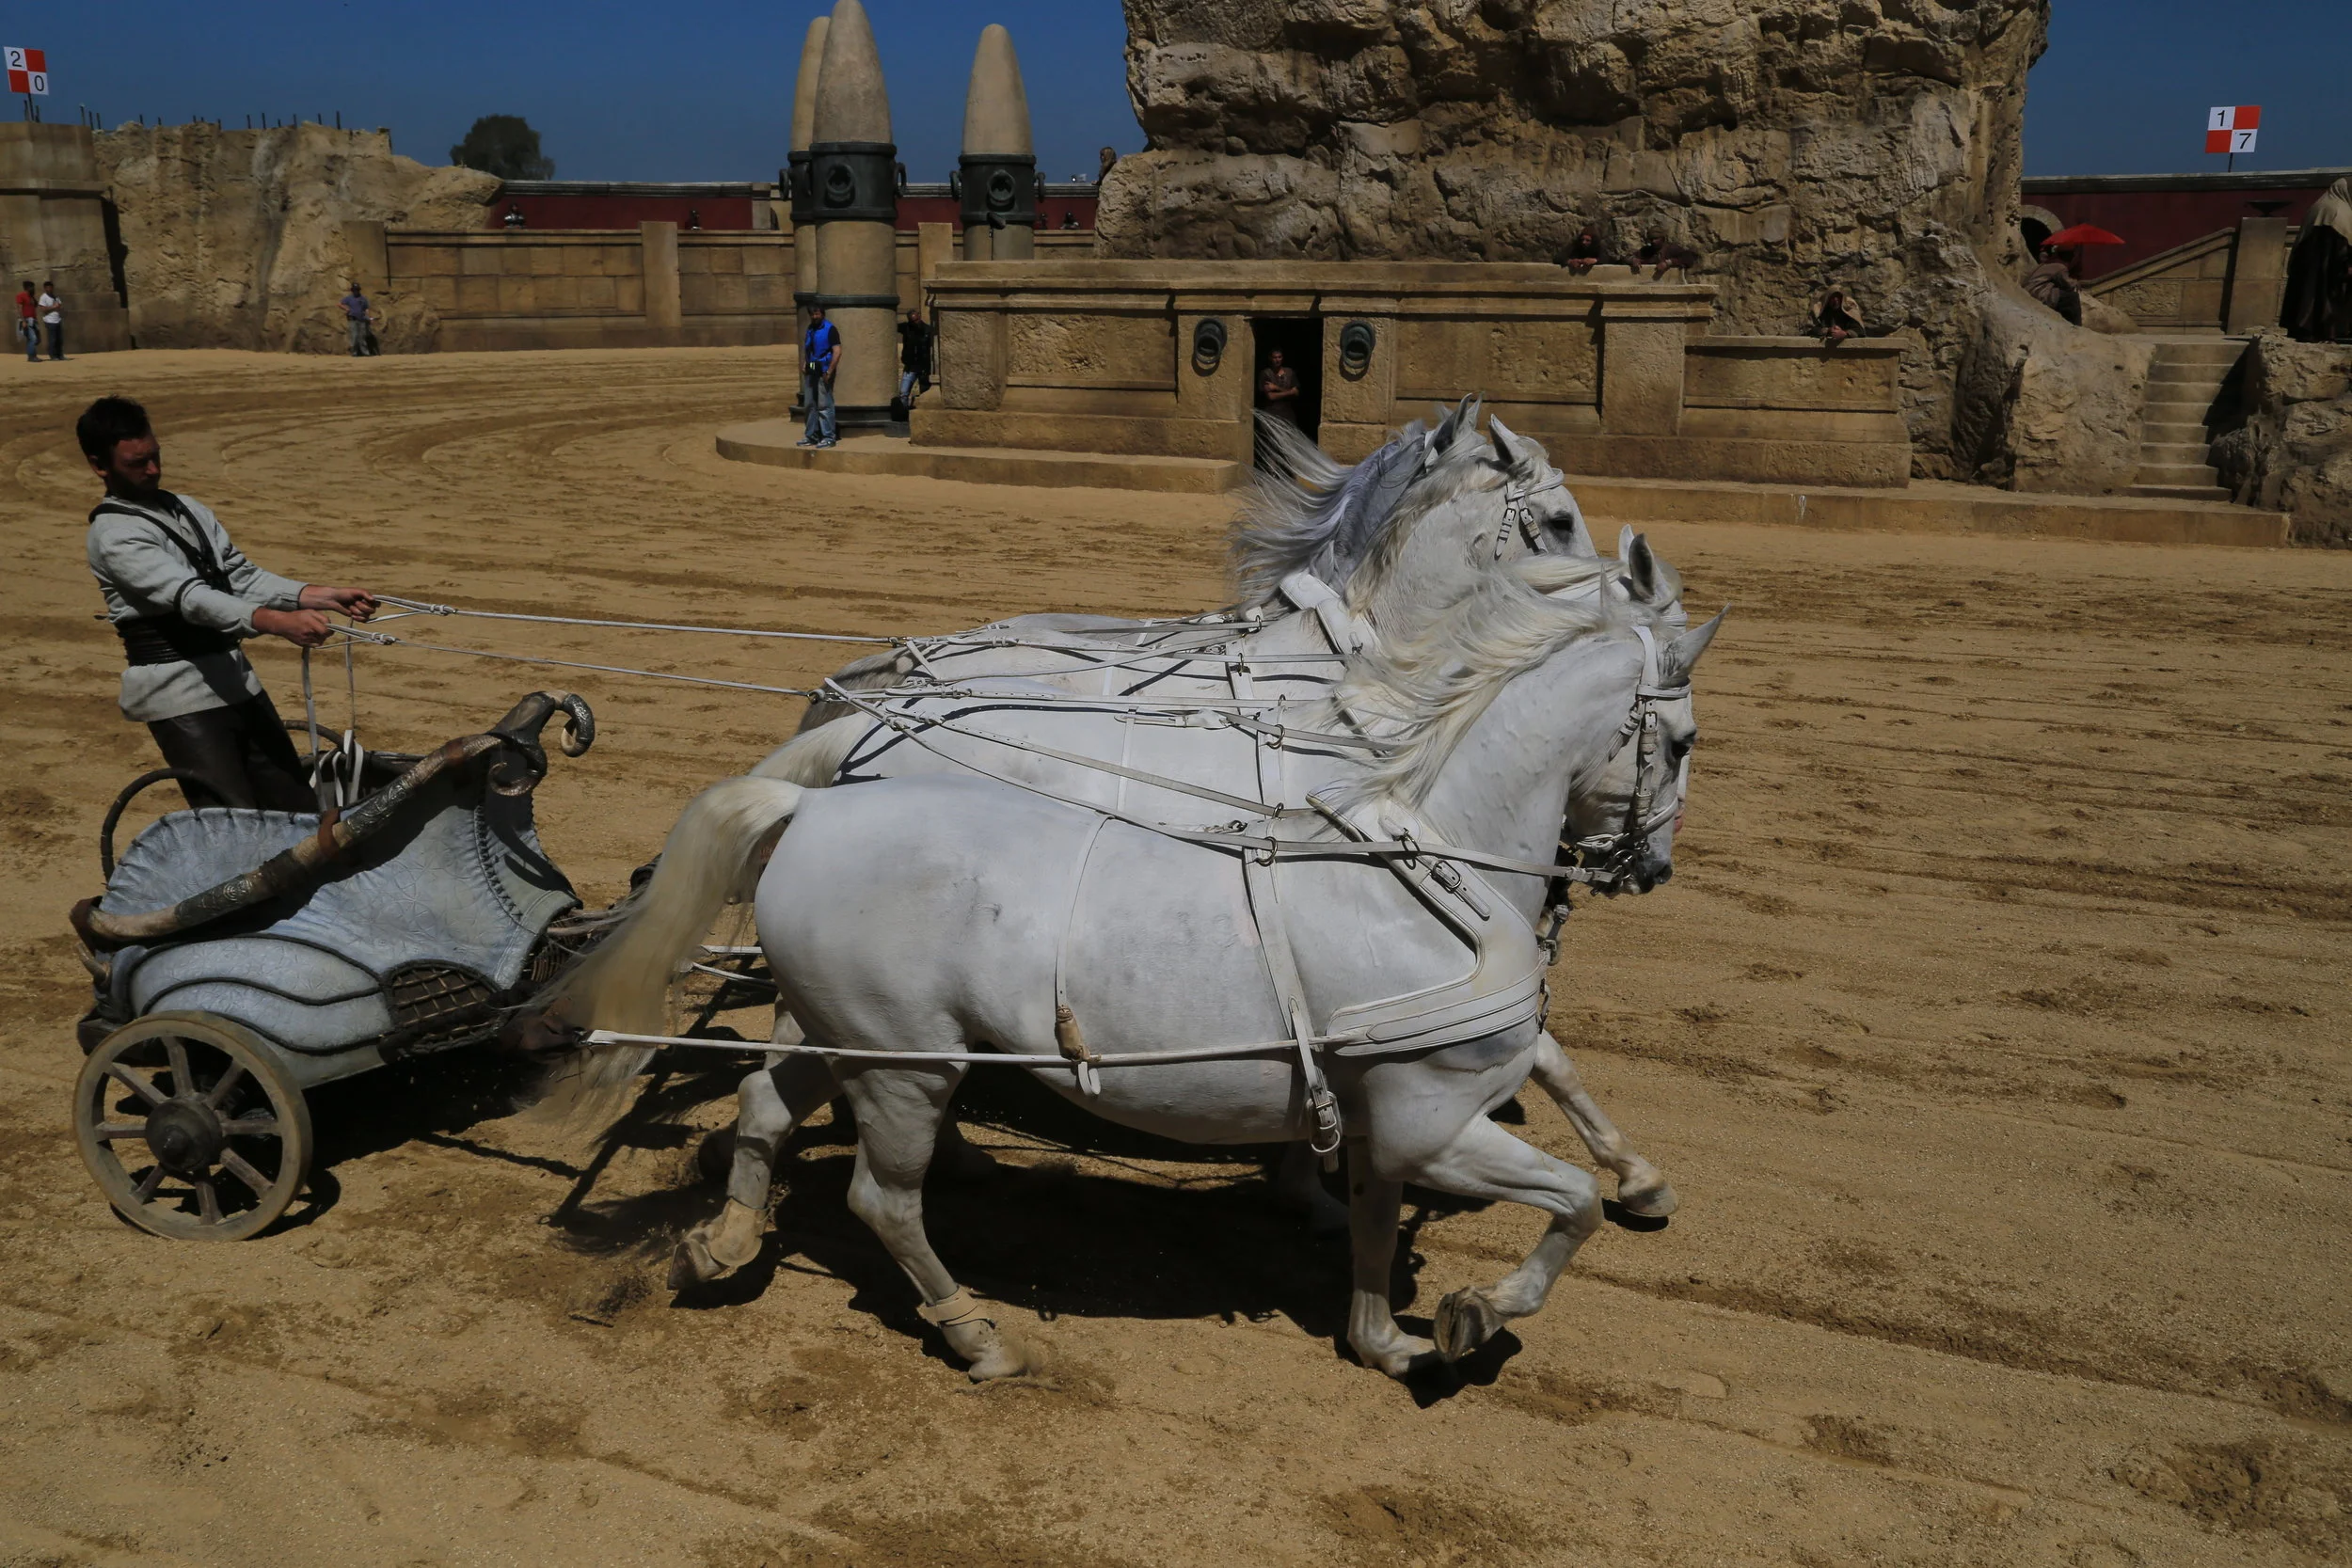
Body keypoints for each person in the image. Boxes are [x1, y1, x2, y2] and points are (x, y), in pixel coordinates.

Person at [78, 395, 380, 811]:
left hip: (236, 681)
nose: (153, 470)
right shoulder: (114, 535)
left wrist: (325, 596)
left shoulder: (189, 509)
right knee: (231, 821)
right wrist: (277, 622)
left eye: (155, 457)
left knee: (297, 808)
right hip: (179, 697)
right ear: (100, 466)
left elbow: (240, 577)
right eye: (137, 463)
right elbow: (192, 598)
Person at [2281, 177, 2352, 344]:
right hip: (2325, 271)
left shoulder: (2321, 206)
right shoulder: (2337, 212)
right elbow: (2337, 249)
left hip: (2312, 268)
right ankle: (2329, 332)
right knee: (2322, 300)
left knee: (2309, 297)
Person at [798, 304, 840, 448]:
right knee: (809, 404)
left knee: (824, 405)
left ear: (822, 314)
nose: (815, 317)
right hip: (812, 368)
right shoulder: (810, 329)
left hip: (824, 369)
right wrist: (805, 364)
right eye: (812, 314)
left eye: (817, 314)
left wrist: (830, 371)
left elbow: (837, 351)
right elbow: (808, 349)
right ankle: (811, 436)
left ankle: (829, 437)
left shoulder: (830, 329)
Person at [2023, 245, 2082, 325]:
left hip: (2030, 290)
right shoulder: (2060, 266)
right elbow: (2069, 285)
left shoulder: (2048, 263)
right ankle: (2076, 325)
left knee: (2062, 296)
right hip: (2039, 292)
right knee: (2072, 297)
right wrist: (2076, 282)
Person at [898, 306, 932, 411]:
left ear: (920, 317)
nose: (915, 323)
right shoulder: (906, 328)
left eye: (916, 320)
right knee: (903, 393)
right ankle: (904, 412)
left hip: (924, 367)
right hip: (910, 366)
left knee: (925, 392)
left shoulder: (927, 330)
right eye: (912, 321)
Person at [1257, 347, 1302, 429]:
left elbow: (1296, 393)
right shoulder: (1266, 374)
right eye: (1275, 357)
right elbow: (1271, 396)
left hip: (1287, 415)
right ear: (1270, 358)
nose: (1277, 360)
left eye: (1279, 357)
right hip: (1271, 414)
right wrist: (1290, 392)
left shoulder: (1289, 372)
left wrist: (1276, 387)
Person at [1634, 234, 1698, 280]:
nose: (1653, 241)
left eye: (1656, 238)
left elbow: (1689, 258)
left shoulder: (1671, 249)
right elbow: (1627, 257)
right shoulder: (1647, 250)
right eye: (1651, 239)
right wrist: (1633, 260)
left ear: (1662, 239)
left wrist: (1668, 263)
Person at [341, 283, 373, 356]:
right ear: (352, 290)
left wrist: (369, 318)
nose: (356, 291)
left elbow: (366, 309)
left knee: (362, 336)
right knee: (354, 336)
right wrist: (346, 309)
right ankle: (354, 353)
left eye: (357, 290)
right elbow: (340, 304)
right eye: (355, 290)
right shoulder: (349, 298)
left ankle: (365, 352)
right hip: (353, 319)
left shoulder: (363, 299)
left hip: (362, 319)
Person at [38, 280, 63, 360]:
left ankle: (60, 355)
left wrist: (58, 307)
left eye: (51, 287)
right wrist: (53, 307)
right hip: (49, 321)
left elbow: (60, 306)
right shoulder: (43, 297)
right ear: (45, 288)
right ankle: (53, 356)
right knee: (52, 339)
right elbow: (43, 309)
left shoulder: (55, 297)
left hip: (58, 319)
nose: (50, 289)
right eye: (48, 287)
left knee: (59, 339)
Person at [14, 279, 37, 362]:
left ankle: (33, 355)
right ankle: (31, 357)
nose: (34, 289)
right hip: (26, 320)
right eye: (32, 287)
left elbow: (35, 306)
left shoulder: (31, 297)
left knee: (33, 339)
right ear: (28, 288)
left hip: (33, 320)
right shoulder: (21, 296)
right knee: (33, 338)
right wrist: (23, 321)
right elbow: (19, 309)